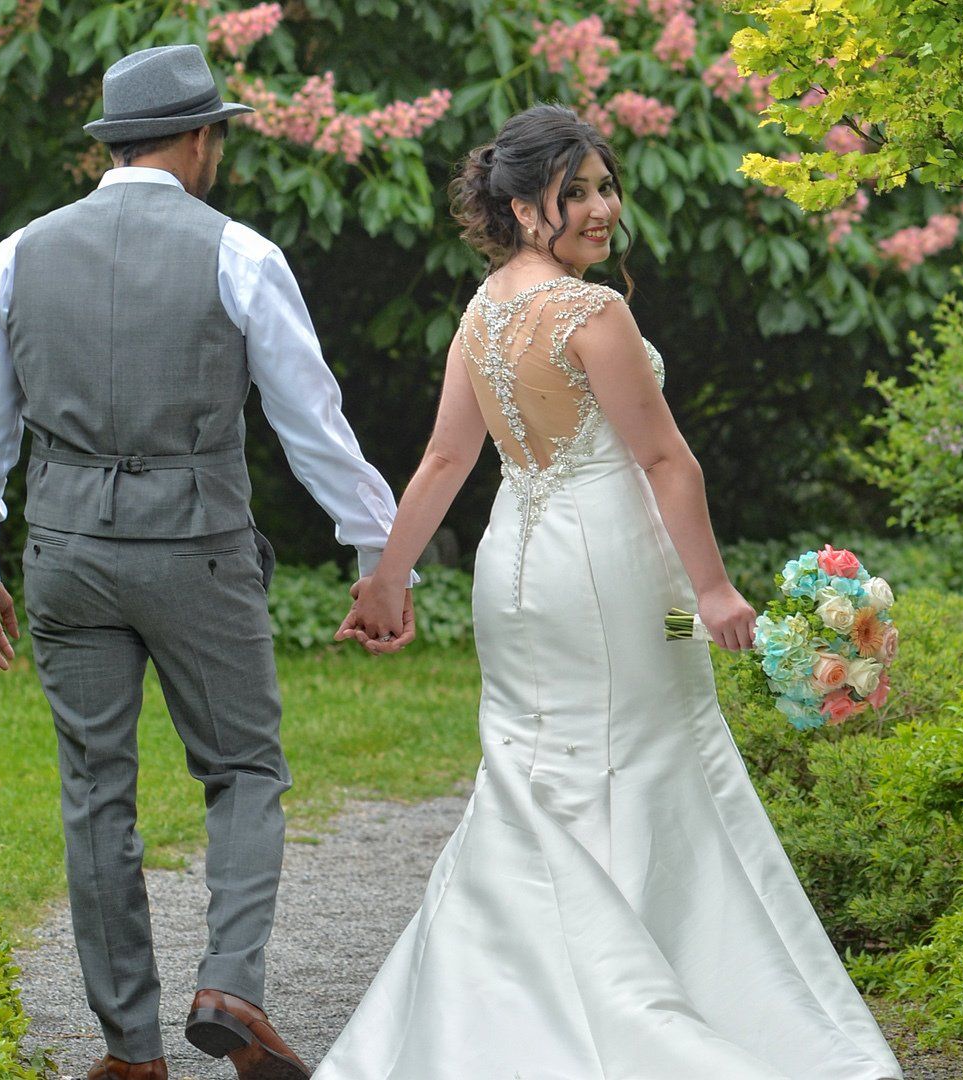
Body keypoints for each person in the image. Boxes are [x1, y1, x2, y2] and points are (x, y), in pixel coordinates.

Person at [321, 104, 904, 1079]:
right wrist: (714, 593)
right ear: (519, 203)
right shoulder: (594, 314)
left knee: (533, 777)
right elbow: (667, 461)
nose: (603, 207)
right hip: (607, 564)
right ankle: (641, 1007)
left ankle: (507, 1014)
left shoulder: (484, 309)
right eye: (577, 191)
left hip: (515, 570)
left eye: (605, 187)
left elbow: (445, 459)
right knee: (644, 763)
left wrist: (389, 579)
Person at [0, 44, 414, 1080]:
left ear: (113, 142)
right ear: (201, 139)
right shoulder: (238, 252)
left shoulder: (20, 252)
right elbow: (312, 425)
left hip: (67, 552)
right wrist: (378, 554)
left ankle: (129, 1053)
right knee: (243, 768)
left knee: (95, 789)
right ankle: (231, 983)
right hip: (197, 549)